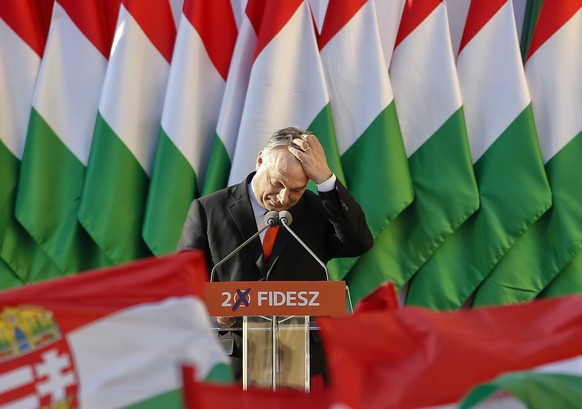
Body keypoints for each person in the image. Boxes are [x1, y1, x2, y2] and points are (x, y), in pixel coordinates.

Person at [177, 126, 373, 383]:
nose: (283, 198)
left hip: (302, 362)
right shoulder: (209, 209)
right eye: (277, 183)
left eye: (297, 190)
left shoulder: (317, 210)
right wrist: (212, 308)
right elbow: (182, 280)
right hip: (233, 364)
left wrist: (326, 179)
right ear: (260, 160)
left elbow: (357, 243)